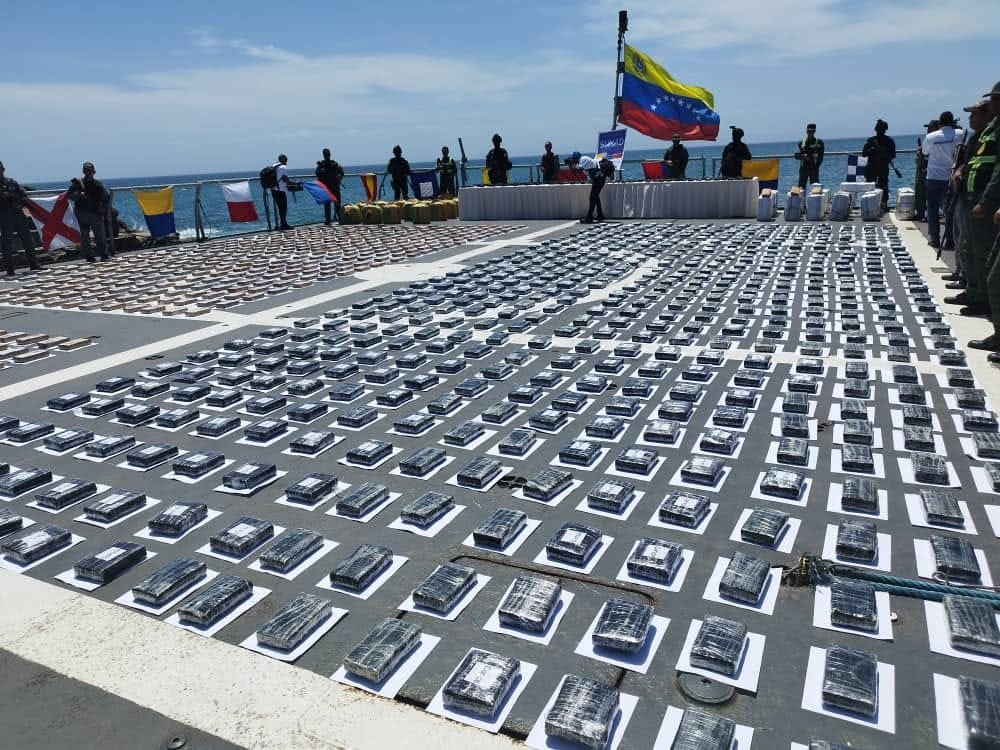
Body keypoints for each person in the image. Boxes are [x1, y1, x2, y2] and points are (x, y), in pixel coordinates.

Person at [945, 99, 992, 314]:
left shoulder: (993, 135)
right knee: (966, 246)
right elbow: (971, 163)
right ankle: (972, 290)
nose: (970, 118)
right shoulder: (978, 137)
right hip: (968, 197)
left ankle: (982, 298)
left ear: (986, 114)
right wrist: (960, 170)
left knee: (981, 251)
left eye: (974, 114)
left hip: (984, 202)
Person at [968, 81, 1000, 357]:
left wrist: (988, 201)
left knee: (993, 270)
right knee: (984, 261)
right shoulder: (988, 131)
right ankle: (977, 297)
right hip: (976, 198)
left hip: (987, 203)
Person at [923, 112, 964, 249]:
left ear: (939, 123)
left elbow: (924, 152)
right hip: (951, 176)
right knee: (949, 209)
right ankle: (951, 239)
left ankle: (934, 238)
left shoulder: (931, 136)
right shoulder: (960, 134)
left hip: (933, 176)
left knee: (932, 209)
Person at [0, 161, 42, 277]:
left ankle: (34, 264)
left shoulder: (11, 182)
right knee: (7, 243)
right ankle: (10, 270)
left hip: (18, 213)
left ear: (3, 169)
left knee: (27, 239)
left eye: (0, 169)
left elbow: (23, 196)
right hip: (4, 216)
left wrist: (12, 196)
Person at [67, 162, 111, 262]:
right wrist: (78, 194)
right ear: (83, 171)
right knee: (84, 236)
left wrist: (103, 209)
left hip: (95, 213)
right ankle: (89, 256)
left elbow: (106, 198)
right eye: (86, 171)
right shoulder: (77, 184)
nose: (88, 173)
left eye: (89, 171)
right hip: (81, 213)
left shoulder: (98, 184)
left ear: (93, 172)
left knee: (100, 235)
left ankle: (103, 254)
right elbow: (69, 195)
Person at [862, 119, 897, 211]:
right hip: (871, 167)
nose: (879, 131)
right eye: (878, 129)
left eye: (881, 129)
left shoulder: (889, 141)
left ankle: (884, 204)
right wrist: (872, 150)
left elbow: (893, 155)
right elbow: (864, 153)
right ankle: (868, 203)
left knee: (884, 185)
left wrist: (885, 156)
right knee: (870, 185)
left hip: (883, 166)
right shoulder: (871, 141)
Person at [566, 151, 608, 224]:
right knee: (595, 196)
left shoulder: (583, 159)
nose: (573, 160)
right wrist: (571, 167)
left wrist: (572, 165)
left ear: (576, 158)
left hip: (599, 178)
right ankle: (600, 214)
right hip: (598, 178)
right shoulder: (580, 162)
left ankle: (589, 218)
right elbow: (576, 173)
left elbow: (579, 170)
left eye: (573, 159)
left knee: (592, 198)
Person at [913, 120, 938, 221]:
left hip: (930, 169)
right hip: (921, 168)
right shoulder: (927, 139)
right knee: (919, 191)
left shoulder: (936, 139)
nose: (928, 129)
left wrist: (922, 152)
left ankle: (929, 215)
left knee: (931, 194)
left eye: (930, 127)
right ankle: (920, 213)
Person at [315, 148, 344, 225]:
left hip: (335, 186)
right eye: (325, 154)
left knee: (337, 204)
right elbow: (317, 174)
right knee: (327, 205)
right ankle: (328, 220)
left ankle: (340, 219)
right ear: (323, 155)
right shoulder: (321, 165)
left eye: (327, 154)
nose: (326, 156)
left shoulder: (335, 163)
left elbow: (341, 172)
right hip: (326, 188)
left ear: (330, 155)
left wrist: (339, 177)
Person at [795, 123, 825, 188]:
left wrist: (816, 167)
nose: (810, 132)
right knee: (801, 187)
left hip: (814, 167)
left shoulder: (819, 142)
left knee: (815, 188)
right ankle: (801, 198)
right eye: (808, 131)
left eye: (811, 131)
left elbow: (821, 157)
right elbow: (796, 155)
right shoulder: (801, 143)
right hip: (803, 169)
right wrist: (803, 156)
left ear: (814, 131)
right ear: (806, 131)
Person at [271, 154, 293, 230]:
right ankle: (283, 224)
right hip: (280, 190)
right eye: (286, 159)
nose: (287, 161)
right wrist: (294, 183)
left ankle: (281, 223)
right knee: (283, 208)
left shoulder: (274, 166)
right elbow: (285, 179)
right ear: (283, 160)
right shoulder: (283, 167)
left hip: (273, 190)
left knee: (280, 208)